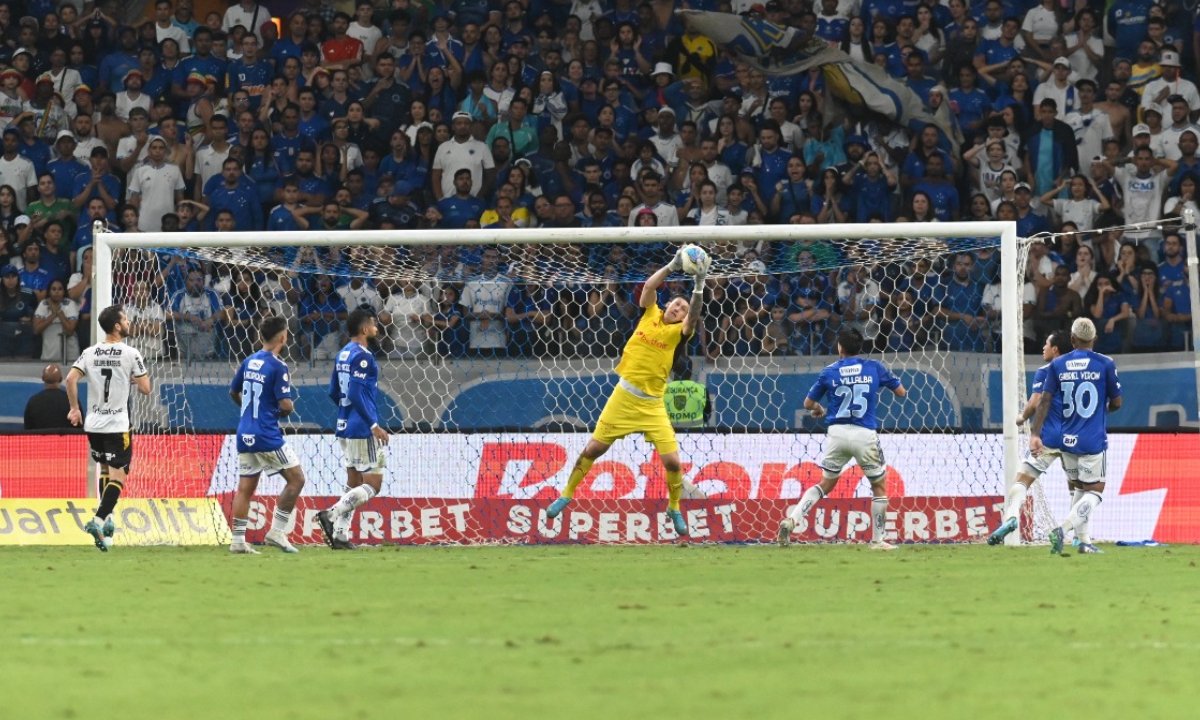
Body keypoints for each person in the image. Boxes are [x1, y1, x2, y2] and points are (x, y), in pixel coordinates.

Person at [545, 247, 706, 535]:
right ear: (667, 305)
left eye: (682, 309)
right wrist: (671, 265)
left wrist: (698, 285)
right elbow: (649, 287)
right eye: (676, 304)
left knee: (672, 462)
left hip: (652, 404)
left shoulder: (680, 333)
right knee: (593, 449)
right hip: (623, 396)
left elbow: (693, 316)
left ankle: (674, 507)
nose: (678, 309)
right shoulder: (650, 314)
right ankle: (566, 495)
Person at [777, 326, 907, 550]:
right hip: (864, 434)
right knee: (878, 485)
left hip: (837, 433)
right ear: (860, 347)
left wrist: (819, 408)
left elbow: (808, 403)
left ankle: (792, 520)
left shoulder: (829, 371)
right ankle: (877, 541)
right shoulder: (874, 367)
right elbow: (901, 392)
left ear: (840, 347)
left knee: (825, 484)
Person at [1029, 317, 1122, 555]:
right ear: (1094, 339)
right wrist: (1102, 409)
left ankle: (1082, 542)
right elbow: (1117, 403)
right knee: (1095, 492)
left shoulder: (1058, 364)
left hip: (1066, 440)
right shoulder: (1105, 363)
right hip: (1092, 440)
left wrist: (1035, 433)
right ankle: (1062, 530)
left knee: (1079, 489)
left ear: (1072, 339)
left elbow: (1045, 401)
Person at [65, 305, 152, 552]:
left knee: (104, 468)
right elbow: (146, 389)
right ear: (116, 326)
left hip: (94, 424)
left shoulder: (90, 352)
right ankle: (98, 520)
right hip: (116, 425)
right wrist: (132, 379)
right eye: (125, 319)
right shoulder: (130, 353)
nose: (128, 322)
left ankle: (109, 522)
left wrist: (74, 409)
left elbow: (70, 379)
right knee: (119, 476)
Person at [986, 329, 1074, 545]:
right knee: (1077, 488)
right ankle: (1075, 536)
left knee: (1023, 480)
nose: (1043, 348)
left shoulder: (1046, 371)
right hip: (1075, 437)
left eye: (1046, 344)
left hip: (1048, 437)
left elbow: (1035, 401)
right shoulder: (1078, 372)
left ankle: (1012, 516)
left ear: (1055, 349)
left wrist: (1021, 417)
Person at [227, 316, 306, 555]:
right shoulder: (278, 366)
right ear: (283, 337)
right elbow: (286, 405)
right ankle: (277, 532)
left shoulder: (249, 361)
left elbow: (233, 391)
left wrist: (250, 410)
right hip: (266, 435)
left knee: (245, 488)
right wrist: (275, 411)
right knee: (297, 479)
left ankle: (237, 540)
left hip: (244, 433)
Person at [316, 309, 390, 550]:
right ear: (364, 329)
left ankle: (340, 535)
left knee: (354, 482)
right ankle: (331, 514)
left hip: (344, 425)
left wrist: (346, 412)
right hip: (362, 428)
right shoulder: (363, 356)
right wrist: (373, 425)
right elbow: (356, 392)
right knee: (373, 485)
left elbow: (334, 391)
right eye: (373, 323)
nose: (376, 327)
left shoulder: (343, 354)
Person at [23, 363, 72, 429]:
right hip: (66, 436)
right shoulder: (72, 401)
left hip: (40, 436)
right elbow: (79, 427)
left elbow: (28, 428)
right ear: (60, 379)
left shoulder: (33, 402)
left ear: (43, 378)